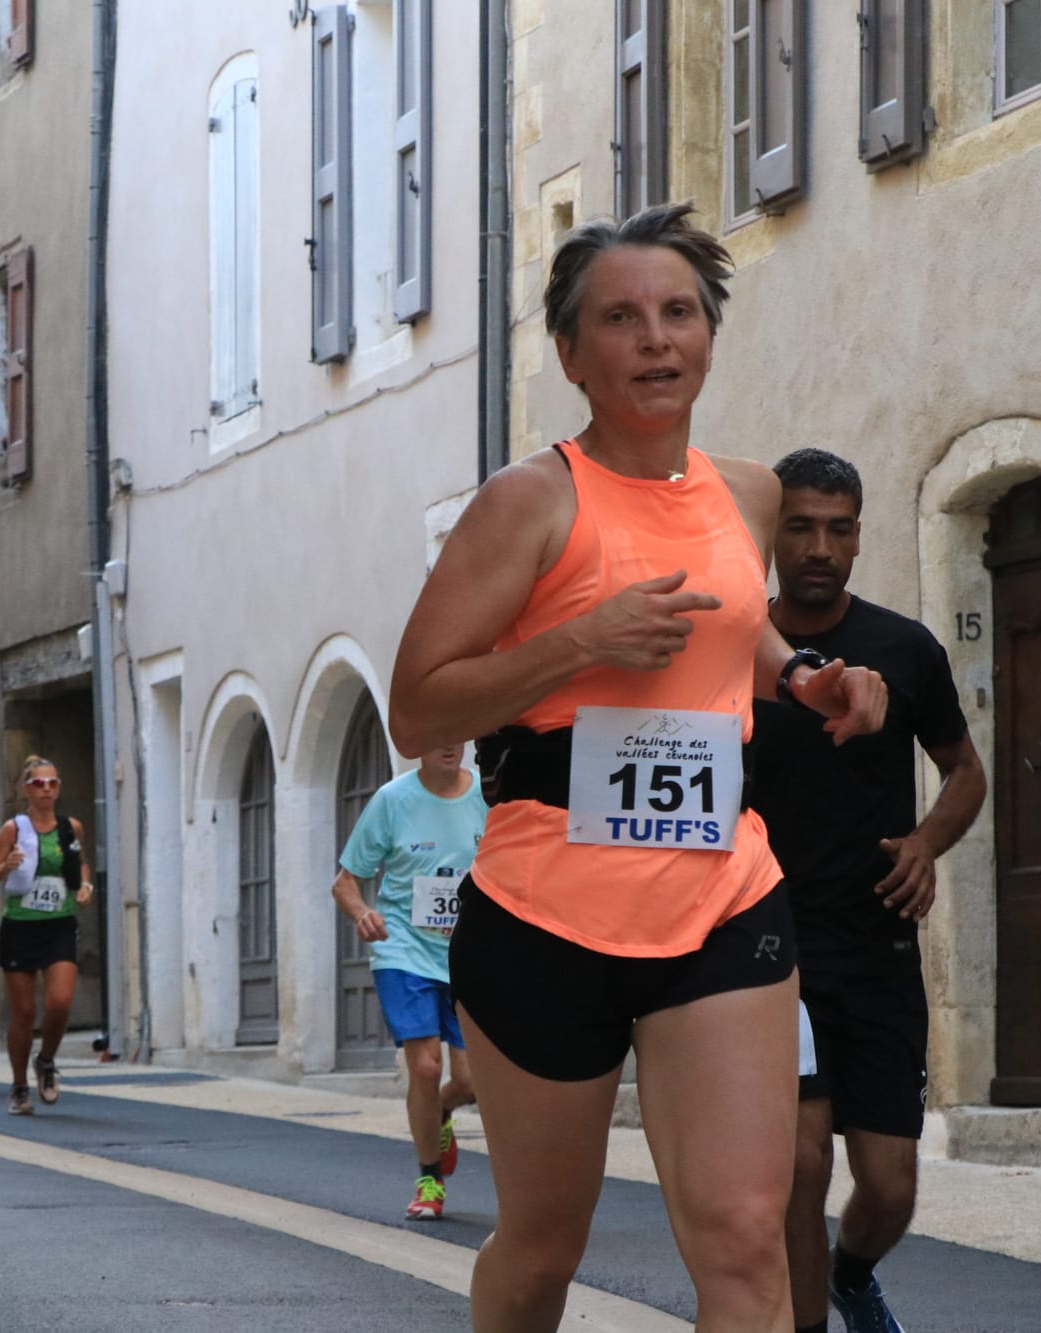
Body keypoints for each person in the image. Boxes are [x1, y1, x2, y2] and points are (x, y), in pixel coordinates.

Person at [389, 202, 889, 1333]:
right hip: (544, 910)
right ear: (571, 354)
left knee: (748, 1239)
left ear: (708, 335)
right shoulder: (531, 499)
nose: (655, 338)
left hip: (721, 896)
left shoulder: (748, 493)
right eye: (619, 318)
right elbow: (417, 704)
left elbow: (729, 631)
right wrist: (580, 641)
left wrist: (804, 677)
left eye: (678, 312)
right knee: (540, 1249)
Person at [751, 450, 988, 1333]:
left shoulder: (904, 648)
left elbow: (966, 771)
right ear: (771, 534)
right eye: (800, 526)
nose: (819, 546)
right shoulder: (740, 651)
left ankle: (850, 1277)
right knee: (803, 1161)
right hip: (772, 948)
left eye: (838, 528)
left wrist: (927, 842)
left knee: (889, 1186)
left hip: (878, 947)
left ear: (858, 537)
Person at [331, 741, 486, 1221]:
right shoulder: (392, 801)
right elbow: (345, 882)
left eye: (458, 734)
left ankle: (440, 1114)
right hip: (403, 950)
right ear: (419, 743)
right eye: (438, 735)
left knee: (472, 1080)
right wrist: (362, 913)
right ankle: (429, 1178)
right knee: (424, 1066)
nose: (449, 744)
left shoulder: (488, 797)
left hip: (469, 954)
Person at [0, 756, 93, 1117]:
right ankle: (18, 1086)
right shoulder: (13, 829)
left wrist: (85, 885)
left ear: (58, 788)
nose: (46, 789)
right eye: (38, 784)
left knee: (60, 1002)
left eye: (52, 783)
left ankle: (45, 1060)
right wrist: (5, 867)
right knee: (25, 1012)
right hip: (20, 926)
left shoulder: (71, 827)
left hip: (59, 923)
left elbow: (81, 863)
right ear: (26, 789)